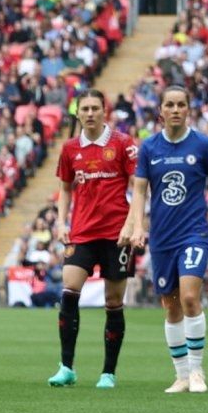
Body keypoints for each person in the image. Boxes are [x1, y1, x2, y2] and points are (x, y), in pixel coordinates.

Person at [122, 85, 208, 395]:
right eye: (169, 104)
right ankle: (181, 375)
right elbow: (139, 190)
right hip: (161, 238)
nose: (175, 109)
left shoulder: (202, 144)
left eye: (180, 104)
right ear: (160, 110)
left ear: (188, 110)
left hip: (194, 234)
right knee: (170, 308)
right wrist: (138, 227)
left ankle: (196, 371)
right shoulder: (149, 147)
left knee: (189, 298)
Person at [47, 89, 139, 389]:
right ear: (77, 113)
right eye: (84, 108)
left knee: (113, 302)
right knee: (69, 290)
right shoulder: (70, 148)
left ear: (104, 111)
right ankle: (66, 367)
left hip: (117, 235)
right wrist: (61, 222)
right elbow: (65, 188)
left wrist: (133, 224)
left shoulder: (123, 144)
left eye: (94, 108)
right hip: (82, 232)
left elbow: (139, 188)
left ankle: (108, 373)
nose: (89, 113)